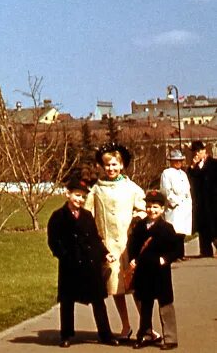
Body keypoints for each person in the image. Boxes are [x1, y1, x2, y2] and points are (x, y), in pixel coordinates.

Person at [47, 177, 120, 347]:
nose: (79, 199)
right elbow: (53, 241)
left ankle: (105, 334)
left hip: (90, 263)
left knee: (98, 300)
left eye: (82, 197)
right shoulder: (58, 216)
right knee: (67, 301)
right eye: (76, 195)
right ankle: (66, 335)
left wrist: (104, 254)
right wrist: (63, 255)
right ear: (68, 194)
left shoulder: (87, 216)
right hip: (69, 265)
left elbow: (95, 238)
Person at [85, 142, 146, 340]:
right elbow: (88, 216)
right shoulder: (97, 190)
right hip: (109, 245)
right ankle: (125, 325)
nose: (111, 169)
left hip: (128, 244)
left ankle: (145, 326)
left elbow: (143, 209)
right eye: (107, 165)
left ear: (122, 165)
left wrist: (138, 219)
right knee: (116, 287)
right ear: (102, 166)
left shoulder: (131, 188)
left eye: (114, 165)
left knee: (135, 285)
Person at [128, 190, 180, 349]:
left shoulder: (167, 228)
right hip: (144, 271)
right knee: (145, 304)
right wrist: (132, 259)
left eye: (156, 207)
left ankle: (170, 338)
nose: (152, 210)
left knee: (165, 304)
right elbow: (133, 246)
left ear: (162, 209)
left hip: (160, 272)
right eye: (149, 206)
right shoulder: (140, 227)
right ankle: (145, 334)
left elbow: (177, 249)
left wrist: (166, 259)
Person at [159, 149, 192, 260]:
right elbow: (166, 190)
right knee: (174, 232)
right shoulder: (167, 173)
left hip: (184, 206)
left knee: (181, 233)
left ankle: (181, 254)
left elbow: (187, 189)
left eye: (180, 160)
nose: (178, 162)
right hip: (175, 207)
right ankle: (173, 254)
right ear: (171, 161)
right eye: (175, 160)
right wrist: (173, 202)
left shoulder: (183, 173)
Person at [186, 140, 217, 258]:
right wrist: (192, 167)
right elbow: (189, 181)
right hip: (200, 201)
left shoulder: (214, 164)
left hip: (213, 200)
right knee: (203, 226)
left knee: (214, 224)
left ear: (204, 151)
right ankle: (205, 250)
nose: (196, 154)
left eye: (198, 151)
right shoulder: (193, 167)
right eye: (194, 151)